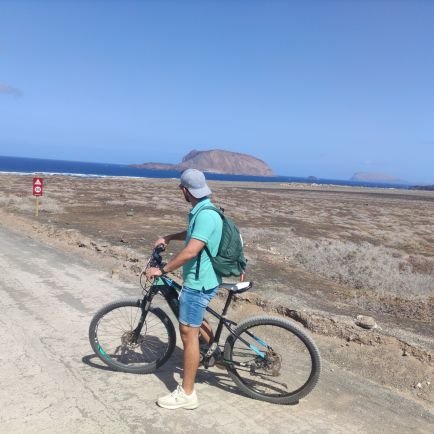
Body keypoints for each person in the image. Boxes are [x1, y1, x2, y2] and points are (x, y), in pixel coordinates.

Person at [146, 168, 223, 410]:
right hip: (205, 279)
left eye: (181, 188)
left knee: (188, 335)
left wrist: (164, 270)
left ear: (185, 190)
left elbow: (192, 250)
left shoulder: (205, 215)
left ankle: (187, 393)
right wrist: (169, 237)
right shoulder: (203, 210)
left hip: (199, 283)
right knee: (196, 320)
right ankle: (213, 350)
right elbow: (192, 235)